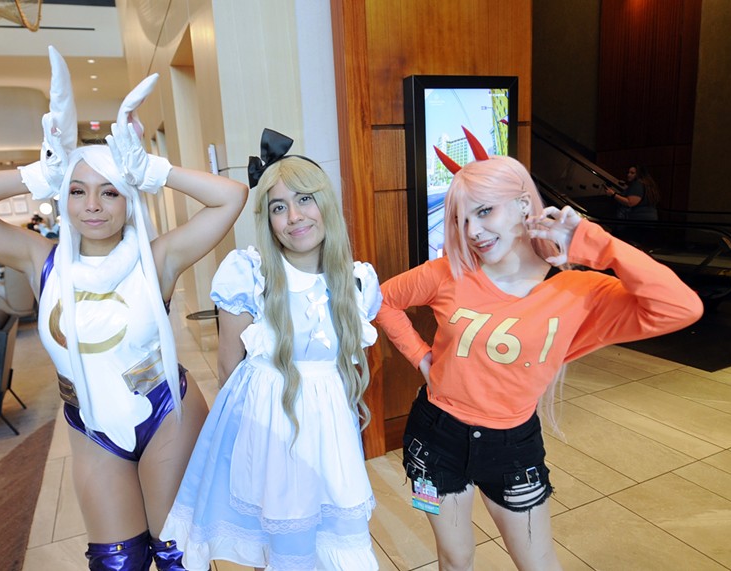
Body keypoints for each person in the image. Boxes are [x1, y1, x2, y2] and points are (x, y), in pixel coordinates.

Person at [0, 47, 248, 571]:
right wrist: (35, 174)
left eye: (110, 192)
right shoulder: (39, 259)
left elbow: (230, 197)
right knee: (117, 562)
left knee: (177, 557)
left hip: (166, 413)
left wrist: (155, 169)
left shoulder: (156, 259)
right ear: (62, 197)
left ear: (129, 200)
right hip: (88, 421)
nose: (92, 205)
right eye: (77, 191)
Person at [376, 127, 703, 571]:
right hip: (434, 438)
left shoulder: (576, 290)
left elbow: (680, 308)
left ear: (524, 205)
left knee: (538, 563)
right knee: (454, 557)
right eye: (460, 219)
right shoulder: (446, 273)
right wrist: (421, 356)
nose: (472, 231)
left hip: (512, 447)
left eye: (485, 211)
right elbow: (382, 301)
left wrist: (595, 244)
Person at [160, 129, 383, 571]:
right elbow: (228, 366)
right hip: (267, 424)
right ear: (268, 219)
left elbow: (345, 366)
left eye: (304, 200)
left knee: (325, 539)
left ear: (326, 206)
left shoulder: (357, 283)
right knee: (277, 541)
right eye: (279, 207)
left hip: (328, 427)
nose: (294, 217)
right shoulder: (249, 273)